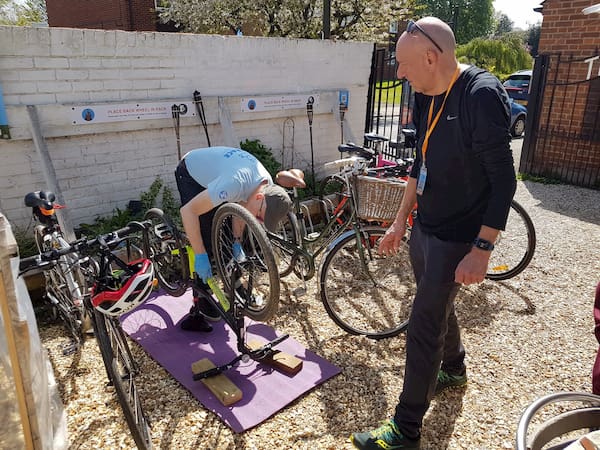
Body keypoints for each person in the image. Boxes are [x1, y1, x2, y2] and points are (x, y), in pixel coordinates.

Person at [350, 17, 516, 450]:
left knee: (423, 323)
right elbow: (418, 166)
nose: (400, 75)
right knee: (435, 299)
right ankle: (455, 368)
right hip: (427, 226)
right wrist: (400, 220)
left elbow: (504, 182)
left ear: (430, 57)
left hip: (459, 235)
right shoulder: (426, 94)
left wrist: (482, 249)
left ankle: (406, 430)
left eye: (404, 65)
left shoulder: (481, 96)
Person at [174, 146, 292, 332]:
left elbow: (244, 206)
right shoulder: (233, 184)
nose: (259, 221)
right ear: (260, 197)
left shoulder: (266, 184)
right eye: (261, 216)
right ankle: (203, 301)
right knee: (206, 233)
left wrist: (236, 242)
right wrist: (200, 255)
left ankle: (235, 285)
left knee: (226, 232)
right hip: (191, 172)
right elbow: (187, 211)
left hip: (223, 173)